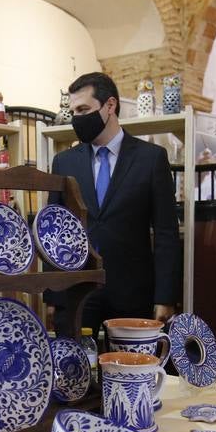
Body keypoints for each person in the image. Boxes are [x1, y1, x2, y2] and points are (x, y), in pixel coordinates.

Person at [47, 72, 181, 332]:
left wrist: (165, 297)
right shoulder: (64, 162)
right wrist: (53, 296)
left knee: (132, 370)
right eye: (74, 111)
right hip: (78, 293)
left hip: (133, 293)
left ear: (110, 105)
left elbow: (166, 232)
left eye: (84, 109)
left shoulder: (151, 159)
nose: (78, 118)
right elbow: (54, 231)